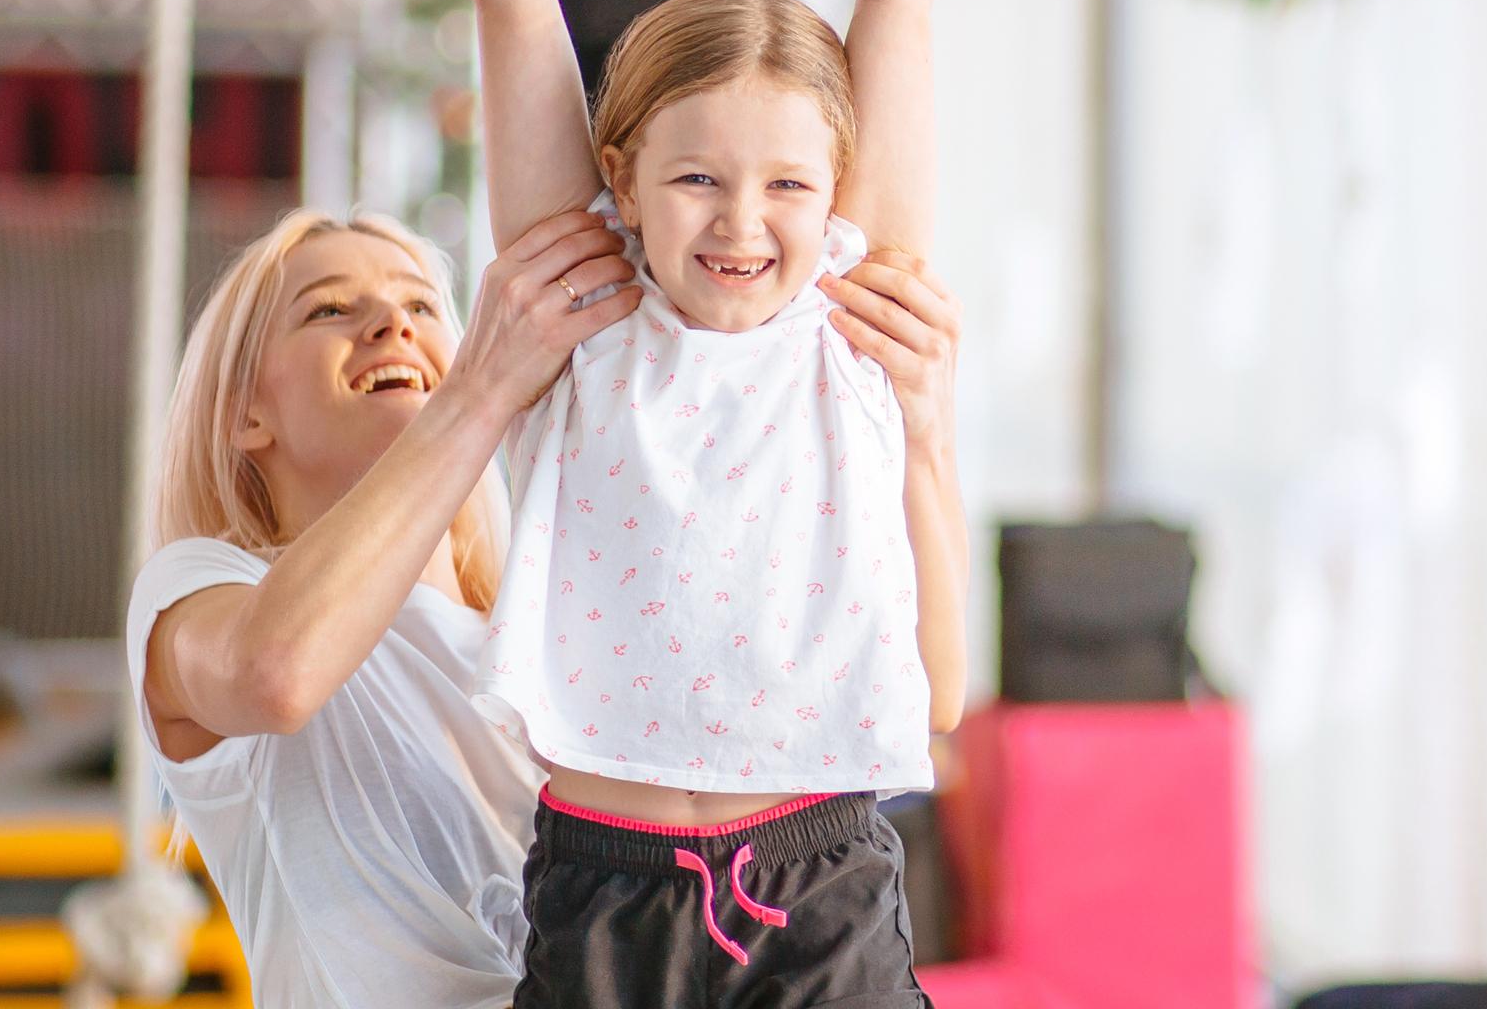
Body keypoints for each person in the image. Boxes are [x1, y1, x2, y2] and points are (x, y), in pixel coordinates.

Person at [461, 0, 967, 1006]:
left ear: (836, 189)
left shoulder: (851, 316)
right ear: (622, 178)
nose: (743, 223)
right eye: (696, 180)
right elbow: (513, 4)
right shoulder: (585, 307)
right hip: (603, 884)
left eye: (788, 186)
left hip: (819, 880)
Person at [127, 205, 962, 1009]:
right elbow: (274, 674)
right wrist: (483, 389)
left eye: (423, 305)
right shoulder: (199, 587)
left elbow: (918, 688)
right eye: (330, 310)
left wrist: (920, 435)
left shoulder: (541, 642)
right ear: (244, 413)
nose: (393, 324)